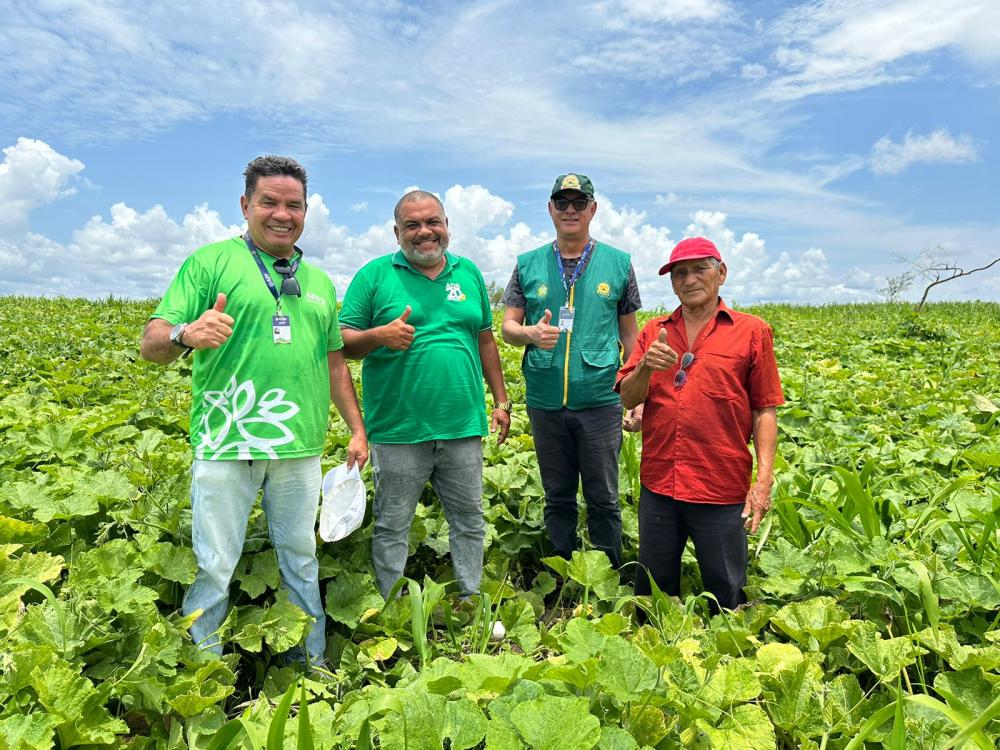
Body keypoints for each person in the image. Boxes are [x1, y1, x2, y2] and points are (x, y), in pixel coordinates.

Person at [140, 155, 367, 665]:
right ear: (246, 205)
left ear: (306, 211)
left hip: (300, 445)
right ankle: (203, 675)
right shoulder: (210, 263)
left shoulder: (320, 282)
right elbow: (151, 341)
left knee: (301, 560)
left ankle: (310, 667)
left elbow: (333, 364)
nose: (282, 214)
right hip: (226, 440)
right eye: (269, 202)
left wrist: (357, 429)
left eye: (294, 205)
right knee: (216, 564)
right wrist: (185, 334)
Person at [338, 190, 510, 599]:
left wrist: (501, 401)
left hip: (462, 424)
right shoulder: (375, 275)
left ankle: (470, 599)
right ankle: (393, 609)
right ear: (397, 232)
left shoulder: (467, 273)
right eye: (412, 225)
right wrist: (378, 336)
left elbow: (486, 341)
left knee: (469, 519)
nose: (424, 232)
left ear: (447, 226)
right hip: (398, 429)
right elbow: (342, 343)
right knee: (393, 524)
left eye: (433, 222)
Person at [616, 237, 783, 611]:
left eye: (699, 269)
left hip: (720, 485)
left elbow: (765, 410)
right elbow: (629, 398)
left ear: (721, 273)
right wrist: (645, 366)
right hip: (660, 482)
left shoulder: (751, 331)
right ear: (672, 283)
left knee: (726, 595)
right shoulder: (653, 330)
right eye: (679, 273)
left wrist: (763, 482)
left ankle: (728, 660)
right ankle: (657, 658)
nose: (689, 280)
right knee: (653, 598)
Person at [501, 173, 641, 569]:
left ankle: (607, 572)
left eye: (579, 203)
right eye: (561, 203)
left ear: (592, 210)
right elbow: (508, 328)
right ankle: (562, 569)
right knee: (557, 494)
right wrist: (529, 333)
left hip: (600, 399)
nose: (570, 210)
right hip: (546, 401)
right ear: (550, 210)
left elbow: (631, 336)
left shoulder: (619, 264)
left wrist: (637, 396)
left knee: (604, 496)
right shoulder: (527, 265)